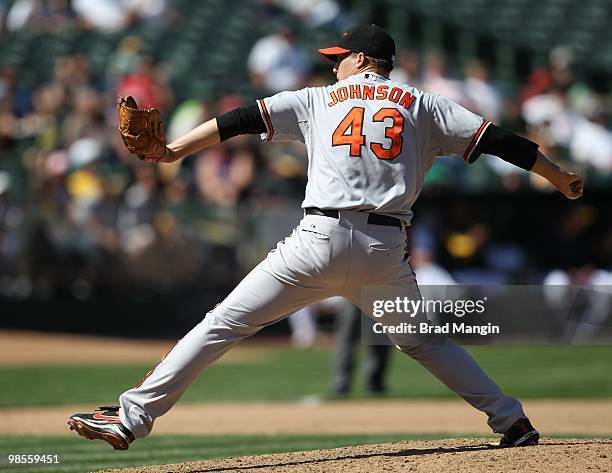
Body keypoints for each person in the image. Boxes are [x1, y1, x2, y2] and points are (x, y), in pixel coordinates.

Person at [68, 24, 584, 450]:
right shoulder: (426, 104)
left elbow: (241, 119)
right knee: (423, 341)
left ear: (361, 59)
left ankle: (131, 418)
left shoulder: (320, 98)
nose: (332, 64)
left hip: (317, 240)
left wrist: (173, 151)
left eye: (339, 57)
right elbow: (500, 141)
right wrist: (558, 175)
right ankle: (510, 420)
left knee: (222, 323)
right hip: (384, 249)